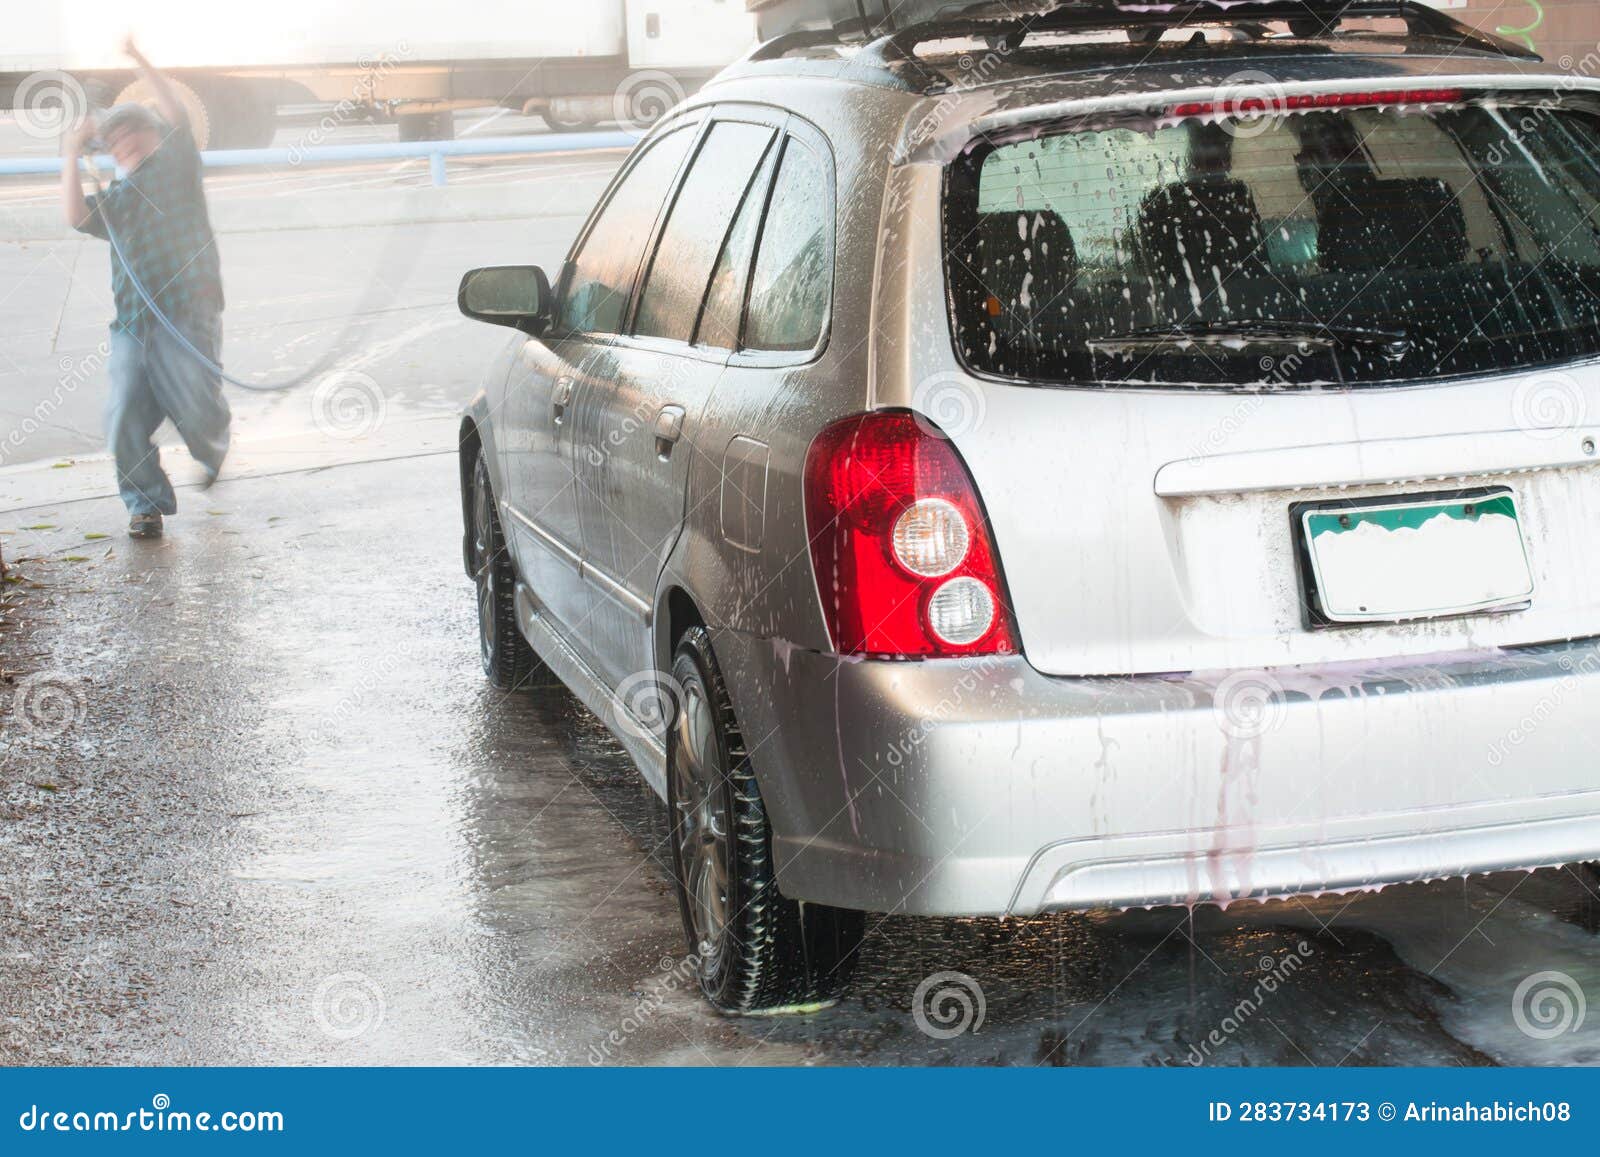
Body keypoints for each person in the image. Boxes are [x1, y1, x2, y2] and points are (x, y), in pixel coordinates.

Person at [61, 37, 227, 540]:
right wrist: (70, 153)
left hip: (186, 314)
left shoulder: (177, 167)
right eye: (114, 141)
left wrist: (139, 59)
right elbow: (76, 216)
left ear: (156, 135)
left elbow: (175, 111)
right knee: (124, 415)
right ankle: (144, 505)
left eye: (133, 133)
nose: (124, 144)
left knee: (196, 406)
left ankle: (211, 447)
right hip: (133, 323)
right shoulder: (118, 196)